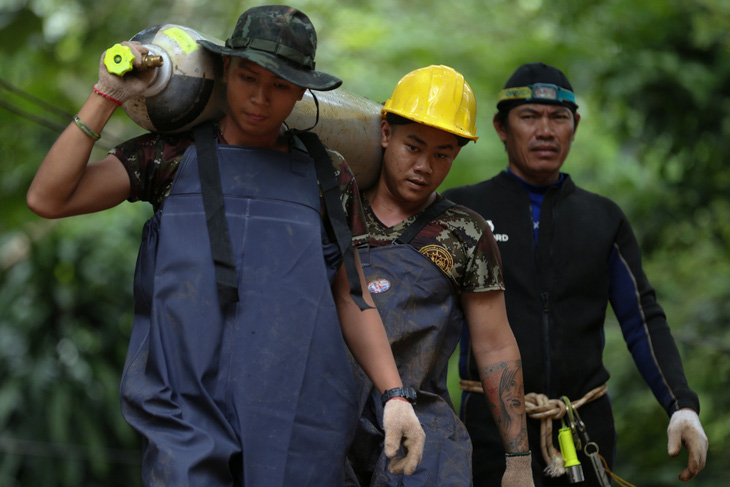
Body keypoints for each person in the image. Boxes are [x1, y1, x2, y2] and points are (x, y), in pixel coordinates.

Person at [26, 5, 425, 486]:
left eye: (279, 85)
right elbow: (48, 198)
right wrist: (106, 95)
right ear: (226, 72)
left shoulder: (327, 172)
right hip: (184, 410)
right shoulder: (169, 155)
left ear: (301, 91)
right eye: (247, 78)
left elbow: (351, 294)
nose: (259, 99)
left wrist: (395, 395)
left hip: (299, 412)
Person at [443, 62, 709, 486]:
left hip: (586, 430)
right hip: (487, 431)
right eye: (529, 117)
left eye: (558, 117)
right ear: (501, 127)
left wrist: (682, 405)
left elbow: (643, 320)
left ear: (575, 125)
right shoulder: (461, 213)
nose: (545, 131)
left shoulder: (603, 219)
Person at [345, 65, 534, 487]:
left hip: (423, 427)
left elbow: (495, 344)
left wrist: (518, 459)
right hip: (328, 417)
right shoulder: (337, 208)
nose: (424, 166)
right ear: (385, 133)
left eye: (442, 154)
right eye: (413, 147)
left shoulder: (466, 232)